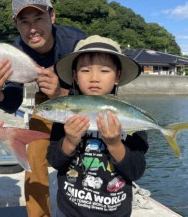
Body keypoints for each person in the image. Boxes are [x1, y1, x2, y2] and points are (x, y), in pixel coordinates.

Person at [0, 0, 87, 216]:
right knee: (34, 156)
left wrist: (63, 93)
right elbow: (11, 102)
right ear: (16, 25)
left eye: (39, 18)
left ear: (52, 16)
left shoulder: (77, 43)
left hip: (79, 100)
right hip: (45, 102)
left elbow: (98, 88)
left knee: (87, 156)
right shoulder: (15, 51)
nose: (32, 29)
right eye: (24, 22)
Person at [47, 35, 148, 217]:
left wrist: (115, 144)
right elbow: (54, 161)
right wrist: (69, 140)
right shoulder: (65, 116)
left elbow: (136, 170)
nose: (94, 78)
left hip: (115, 212)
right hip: (69, 211)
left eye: (104, 71)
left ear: (118, 76)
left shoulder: (130, 118)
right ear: (75, 76)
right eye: (85, 70)